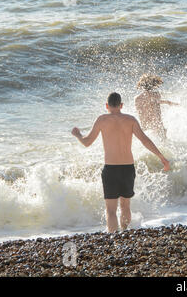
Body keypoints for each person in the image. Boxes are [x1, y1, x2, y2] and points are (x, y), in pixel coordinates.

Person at [71, 92, 170, 233]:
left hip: (110, 169)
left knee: (111, 210)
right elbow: (145, 140)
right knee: (125, 206)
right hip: (128, 168)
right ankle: (124, 233)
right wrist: (161, 157)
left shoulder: (102, 120)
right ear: (121, 105)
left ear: (107, 106)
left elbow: (87, 142)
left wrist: (78, 135)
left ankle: (113, 236)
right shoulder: (130, 120)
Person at [134, 74, 179, 140]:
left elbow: (148, 102)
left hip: (144, 127)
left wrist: (167, 102)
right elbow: (154, 101)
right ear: (153, 85)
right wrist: (168, 102)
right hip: (157, 126)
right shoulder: (156, 95)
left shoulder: (137, 99)